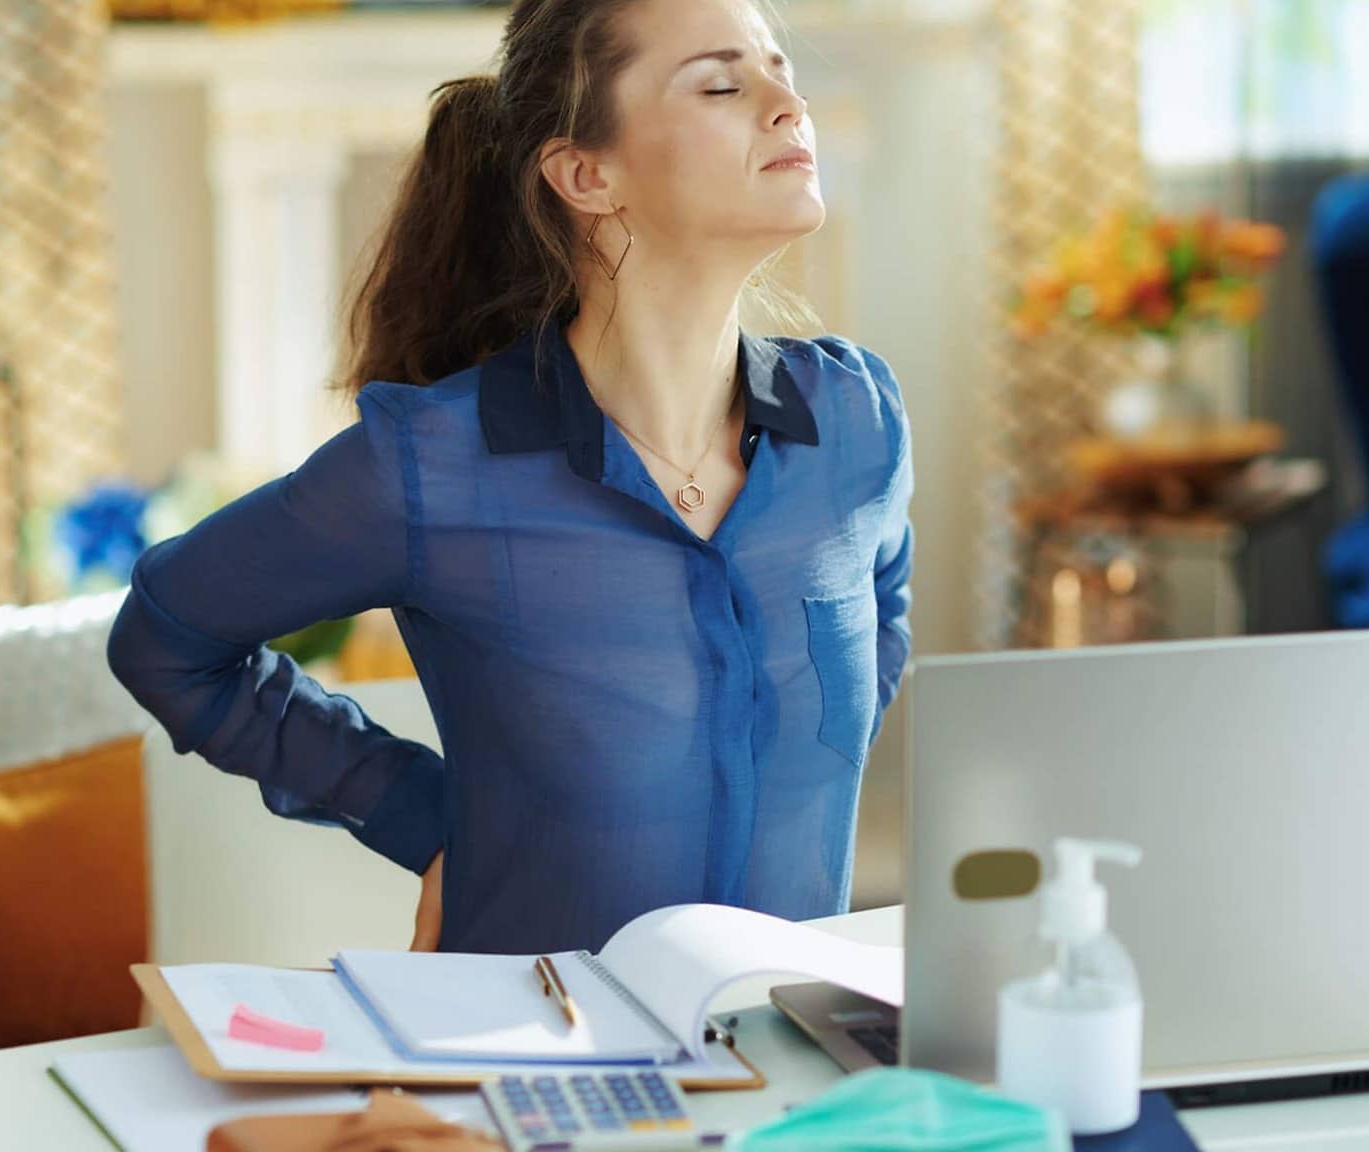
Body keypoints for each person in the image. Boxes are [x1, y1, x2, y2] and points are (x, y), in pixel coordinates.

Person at [108, 0, 913, 956]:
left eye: (782, 71)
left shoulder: (855, 419)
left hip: (787, 1035)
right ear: (586, 174)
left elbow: (882, 612)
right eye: (721, 84)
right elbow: (166, 636)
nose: (788, 105)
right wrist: (419, 814)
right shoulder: (434, 465)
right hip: (535, 1041)